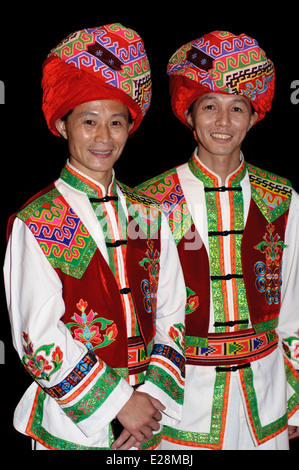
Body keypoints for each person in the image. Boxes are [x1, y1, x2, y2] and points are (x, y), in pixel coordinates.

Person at [3, 24, 186, 451]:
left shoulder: (146, 212)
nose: (103, 138)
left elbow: (172, 309)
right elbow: (37, 336)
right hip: (71, 423)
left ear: (130, 127)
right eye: (89, 121)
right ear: (63, 125)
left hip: (149, 418)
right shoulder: (40, 219)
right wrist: (121, 402)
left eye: (116, 122)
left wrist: (149, 400)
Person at [136, 30, 299, 450]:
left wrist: (295, 402)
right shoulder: (149, 201)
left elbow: (294, 305)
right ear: (189, 115)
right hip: (178, 404)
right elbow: (140, 315)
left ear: (253, 117)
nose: (223, 122)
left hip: (265, 399)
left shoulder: (281, 198)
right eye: (210, 107)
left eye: (237, 108)